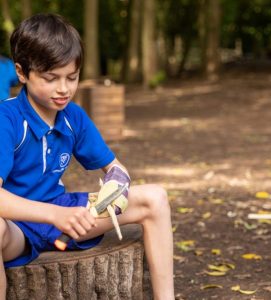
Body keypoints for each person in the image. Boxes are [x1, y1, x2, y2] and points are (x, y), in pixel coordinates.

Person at [0, 13, 174, 300]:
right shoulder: (6, 119)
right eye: (50, 78)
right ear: (21, 73)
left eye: (72, 77)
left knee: (155, 198)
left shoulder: (73, 117)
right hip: (17, 228)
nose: (64, 89)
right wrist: (56, 215)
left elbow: (114, 167)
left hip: (67, 214)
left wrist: (117, 182)